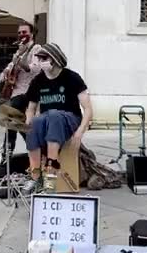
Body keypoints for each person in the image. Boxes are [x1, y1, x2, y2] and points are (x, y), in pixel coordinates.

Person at [21, 43, 93, 194]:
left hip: (69, 118)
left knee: (54, 115)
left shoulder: (72, 77)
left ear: (54, 59)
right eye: (39, 58)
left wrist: (80, 132)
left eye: (44, 58)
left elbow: (87, 109)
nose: (40, 61)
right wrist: (28, 123)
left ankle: (50, 174)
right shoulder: (38, 80)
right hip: (47, 120)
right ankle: (35, 177)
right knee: (36, 121)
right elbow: (31, 108)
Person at [0, 22, 42, 167]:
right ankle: (31, 148)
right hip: (16, 91)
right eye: (19, 33)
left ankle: (7, 155)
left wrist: (20, 61)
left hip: (28, 91)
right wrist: (5, 72)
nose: (21, 35)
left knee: (12, 119)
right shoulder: (19, 50)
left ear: (32, 34)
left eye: (24, 32)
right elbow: (11, 65)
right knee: (15, 123)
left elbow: (35, 69)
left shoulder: (36, 49)